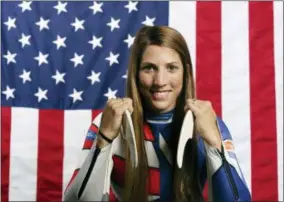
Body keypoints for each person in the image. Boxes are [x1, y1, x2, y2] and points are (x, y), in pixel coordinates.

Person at [63, 25, 251, 202]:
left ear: (185, 72)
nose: (160, 81)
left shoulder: (207, 123)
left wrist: (215, 145)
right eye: (149, 68)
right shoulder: (112, 121)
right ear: (135, 73)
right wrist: (103, 140)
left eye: (171, 68)